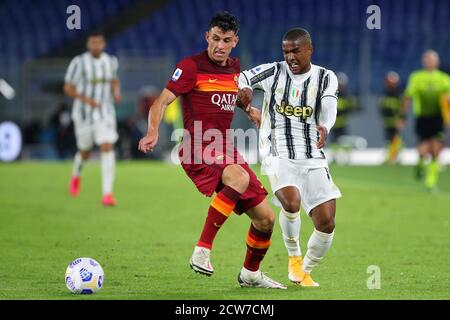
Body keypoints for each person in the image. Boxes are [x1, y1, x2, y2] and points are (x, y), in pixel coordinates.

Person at [138, 12, 286, 289]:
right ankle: (202, 250)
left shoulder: (234, 71)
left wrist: (250, 110)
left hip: (224, 150)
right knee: (239, 178)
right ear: (207, 37)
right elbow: (160, 102)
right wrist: (152, 131)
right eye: (215, 38)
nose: (219, 45)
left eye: (226, 40)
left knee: (266, 219)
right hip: (197, 148)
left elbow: (231, 98)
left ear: (235, 42)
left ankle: (250, 274)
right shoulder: (191, 67)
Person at [237, 28, 342, 287]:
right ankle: (293, 258)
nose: (290, 57)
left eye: (295, 51)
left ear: (309, 49)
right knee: (291, 202)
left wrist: (325, 126)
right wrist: (245, 90)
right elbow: (242, 76)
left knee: (326, 223)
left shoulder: (326, 77)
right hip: (277, 150)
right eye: (286, 51)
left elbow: (329, 106)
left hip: (312, 153)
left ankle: (303, 270)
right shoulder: (274, 71)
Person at [64, 31, 121, 206]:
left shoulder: (110, 61)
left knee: (107, 145)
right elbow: (68, 87)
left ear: (103, 44)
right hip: (84, 113)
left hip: (105, 112)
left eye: (99, 43)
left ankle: (107, 193)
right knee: (85, 151)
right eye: (92, 43)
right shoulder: (78, 62)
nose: (96, 46)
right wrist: (85, 99)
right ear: (88, 44)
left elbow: (113, 80)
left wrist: (116, 93)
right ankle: (76, 174)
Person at [399, 50, 450, 190]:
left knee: (435, 149)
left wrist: (447, 118)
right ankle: (420, 164)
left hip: (437, 118)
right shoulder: (416, 77)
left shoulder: (444, 79)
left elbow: (447, 100)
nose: (429, 61)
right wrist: (402, 116)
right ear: (423, 62)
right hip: (422, 118)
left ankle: (430, 182)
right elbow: (407, 97)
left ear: (437, 62)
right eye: (426, 59)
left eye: (431, 59)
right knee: (423, 150)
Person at [379, 71, 403, 164]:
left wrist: (401, 119)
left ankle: (394, 157)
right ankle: (390, 156)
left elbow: (402, 107)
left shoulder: (399, 93)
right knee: (388, 140)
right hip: (387, 121)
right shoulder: (385, 92)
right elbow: (382, 106)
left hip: (395, 121)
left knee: (395, 139)